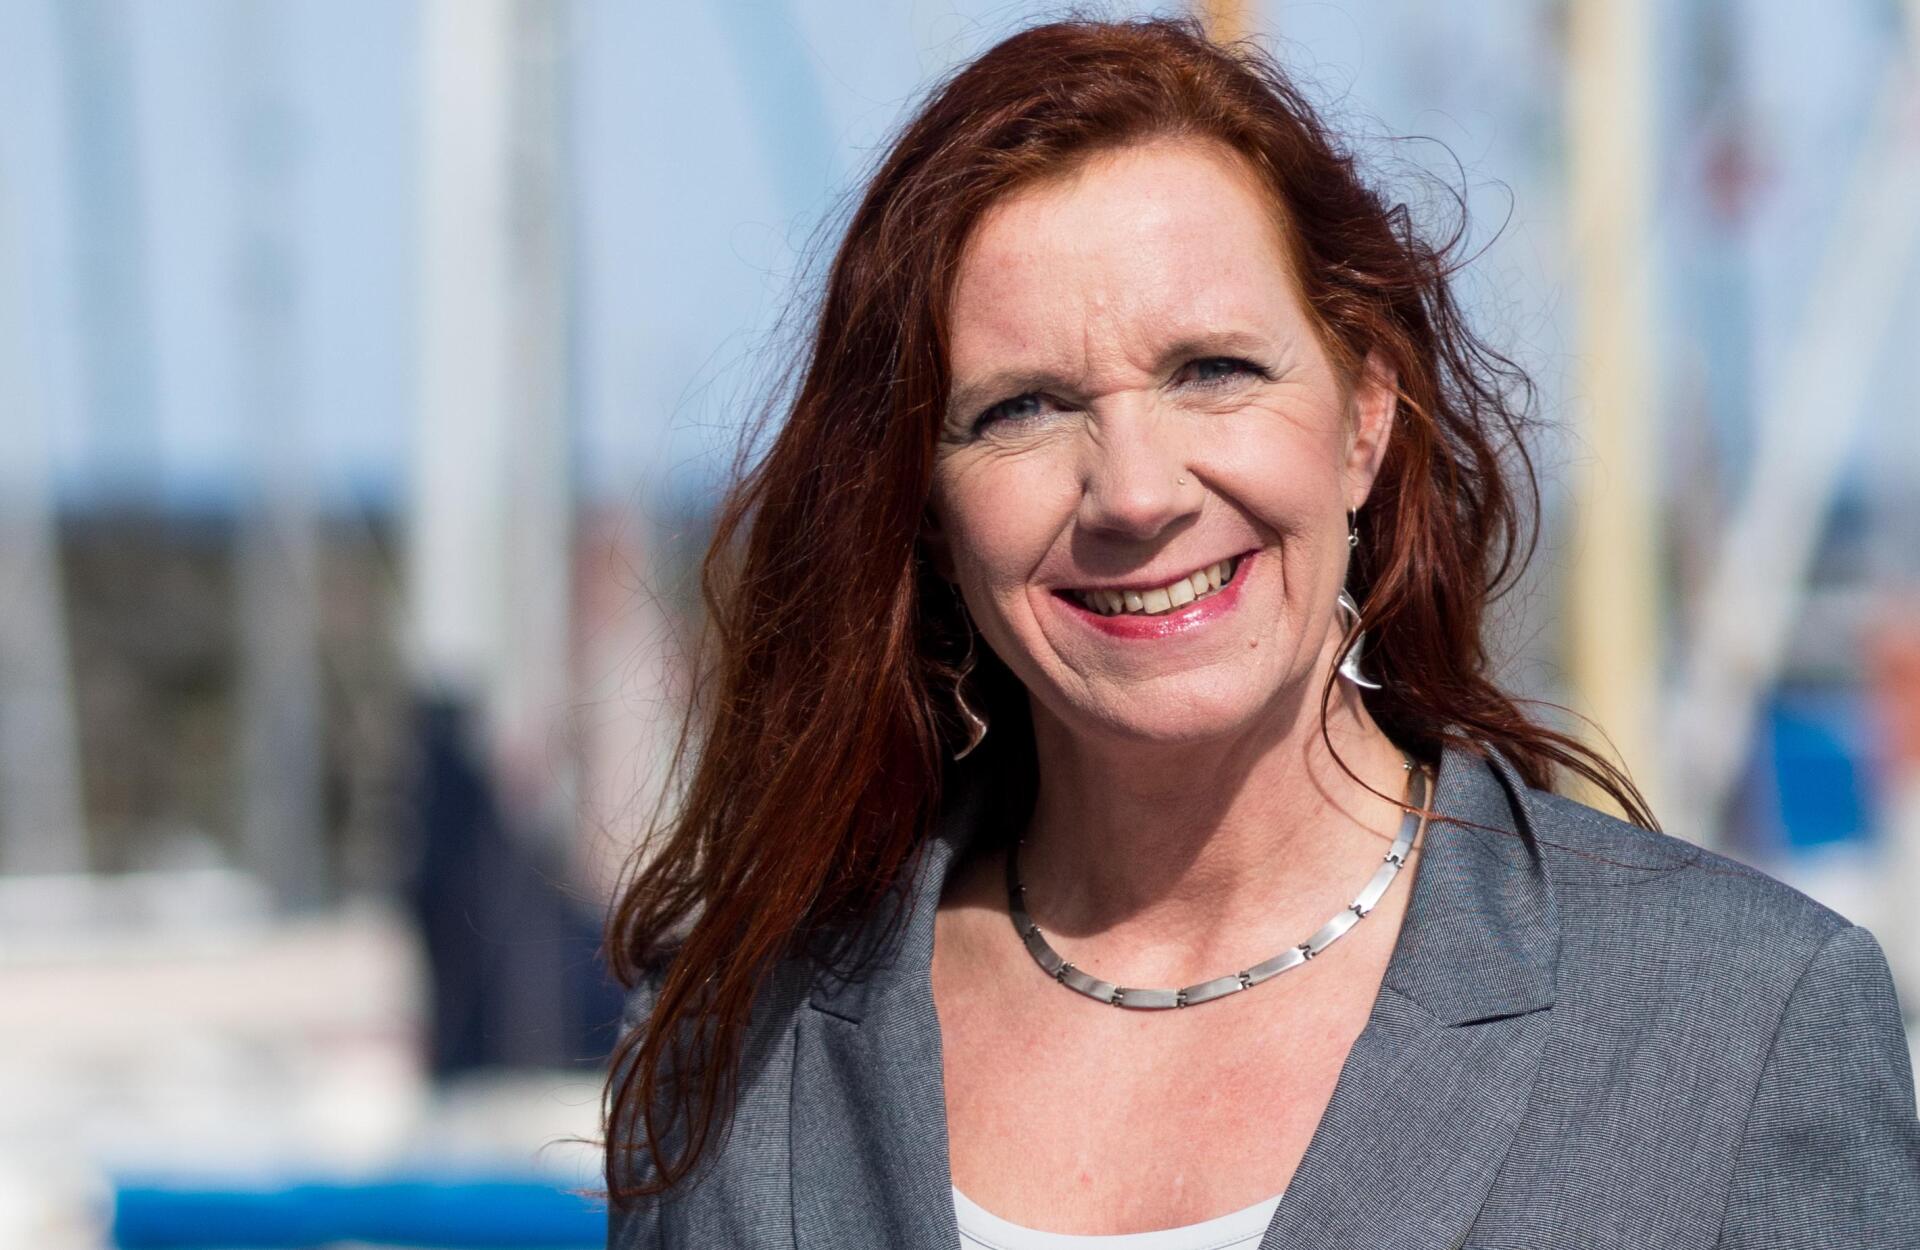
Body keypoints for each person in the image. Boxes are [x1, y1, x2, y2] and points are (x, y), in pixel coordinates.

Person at [603, 17, 1920, 1248]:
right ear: (931, 514)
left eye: (1213, 372)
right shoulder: (742, 1051)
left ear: (1364, 420)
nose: (1135, 492)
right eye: (1023, 409)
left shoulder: (1738, 1024)